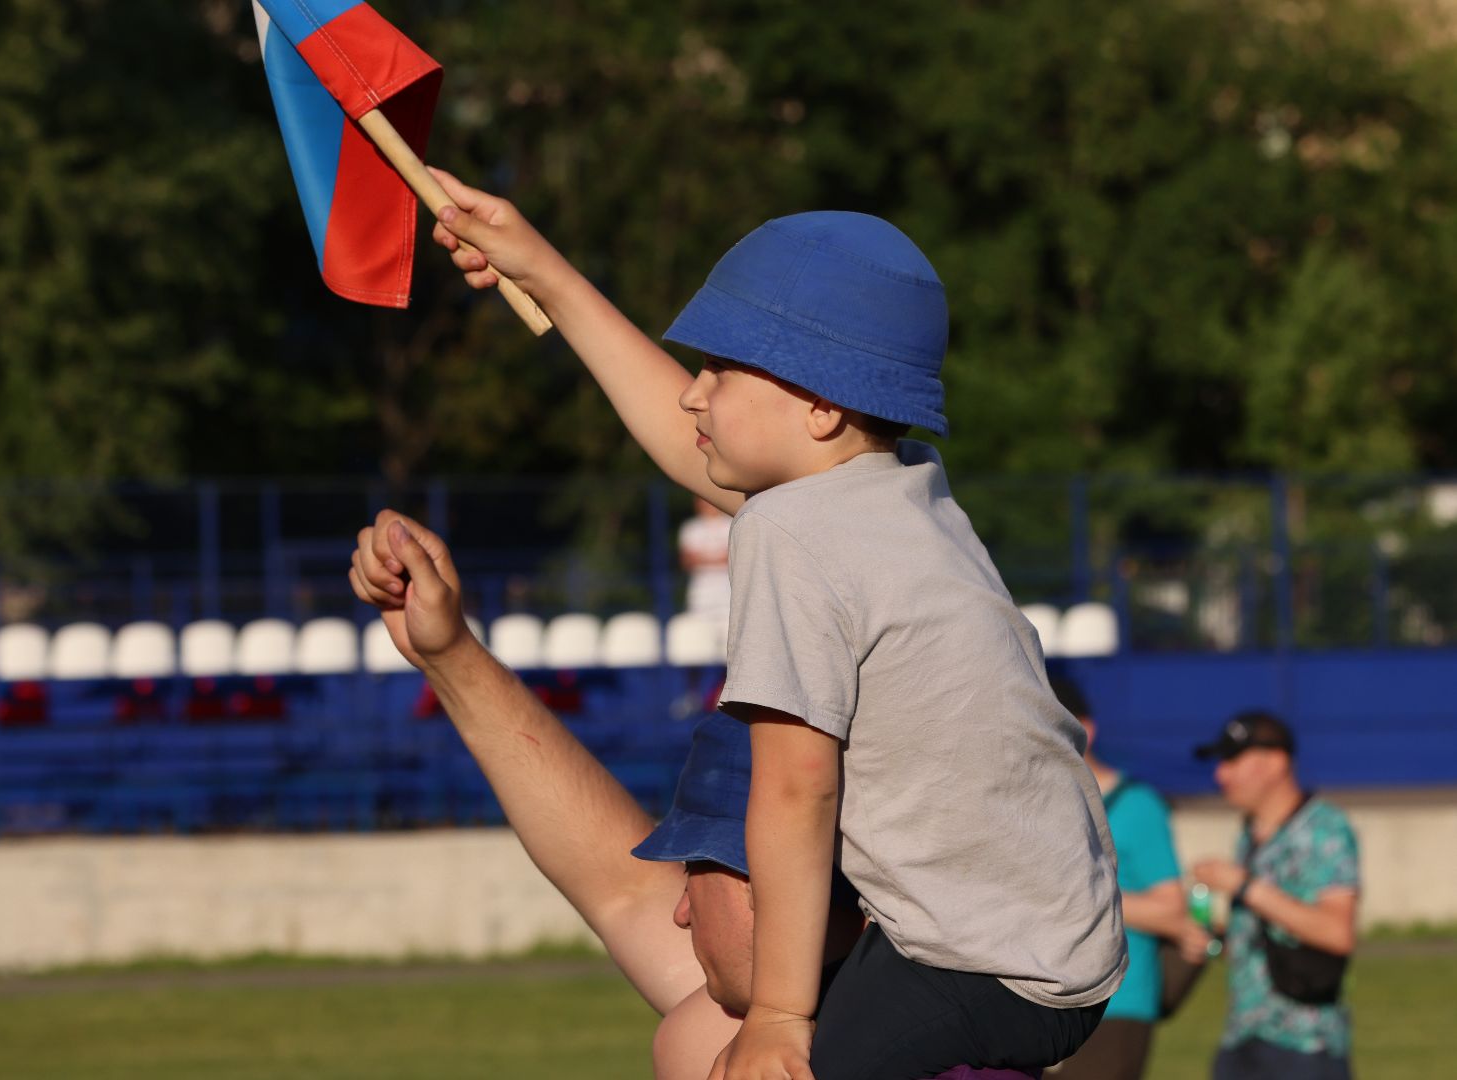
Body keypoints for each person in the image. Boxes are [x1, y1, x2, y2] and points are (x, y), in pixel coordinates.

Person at [416, 174, 1125, 1079]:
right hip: (1058, 951)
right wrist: (542, 268)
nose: (693, 396)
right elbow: (689, 449)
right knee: (705, 1041)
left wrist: (782, 1019)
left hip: (989, 971)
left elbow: (796, 790)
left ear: (824, 407)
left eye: (721, 370)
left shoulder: (797, 533)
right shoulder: (891, 489)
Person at [349, 511, 1033, 1080]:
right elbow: (619, 889)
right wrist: (451, 658)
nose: (677, 909)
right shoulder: (796, 1010)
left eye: (696, 872)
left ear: (780, 884)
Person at [1191, 710, 1359, 1080]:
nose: (1221, 774)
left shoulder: (1324, 828)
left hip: (1304, 1044)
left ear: (1276, 762)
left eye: (1233, 760)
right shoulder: (1249, 834)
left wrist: (1244, 886)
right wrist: (1212, 938)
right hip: (1242, 1035)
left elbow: (1337, 932)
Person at [1047, 676, 1192, 1080]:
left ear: (1084, 729)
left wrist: (1079, 893)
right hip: (1046, 999)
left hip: (1117, 1005)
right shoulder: (1037, 802)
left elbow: (1172, 910)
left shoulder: (1138, 804)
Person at [678, 496, 733, 623]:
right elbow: (687, 561)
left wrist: (702, 558)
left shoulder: (731, 523)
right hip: (700, 594)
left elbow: (734, 559)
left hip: (728, 594)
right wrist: (718, 557)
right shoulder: (690, 528)